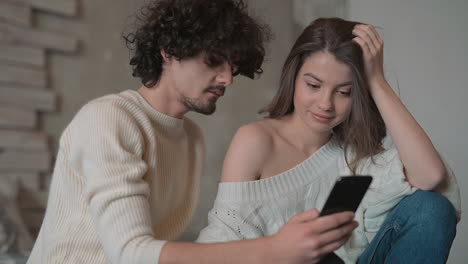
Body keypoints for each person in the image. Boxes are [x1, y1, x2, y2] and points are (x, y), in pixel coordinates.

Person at [26, 2, 361, 264]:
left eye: (232, 66)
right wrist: (273, 250)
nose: (227, 79)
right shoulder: (107, 119)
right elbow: (130, 254)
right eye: (214, 61)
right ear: (169, 51)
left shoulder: (191, 138)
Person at [197, 17, 461, 263]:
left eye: (344, 92)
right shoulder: (256, 140)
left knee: (431, 208)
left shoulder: (354, 155)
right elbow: (224, 237)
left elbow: (430, 176)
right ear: (294, 77)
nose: (325, 104)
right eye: (313, 85)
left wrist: (377, 81)